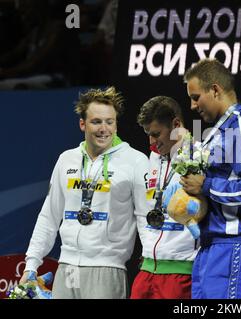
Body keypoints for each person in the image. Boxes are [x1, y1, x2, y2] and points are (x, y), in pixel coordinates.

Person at [131, 96, 241, 299]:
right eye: (147, 134)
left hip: (185, 269)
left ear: (176, 125)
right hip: (147, 269)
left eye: (156, 134)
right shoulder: (149, 161)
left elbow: (235, 185)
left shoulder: (204, 156)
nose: (151, 142)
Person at [20, 87, 150, 299]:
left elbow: (145, 218)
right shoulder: (66, 159)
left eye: (110, 121)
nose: (104, 129)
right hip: (67, 268)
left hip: (107, 269)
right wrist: (31, 264)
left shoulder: (135, 161)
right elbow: (49, 216)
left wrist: (150, 263)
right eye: (96, 121)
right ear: (83, 124)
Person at [181, 58, 241, 299]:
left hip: (233, 245)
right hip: (211, 246)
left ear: (215, 89)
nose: (193, 106)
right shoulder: (218, 131)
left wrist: (205, 185)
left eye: (196, 97)